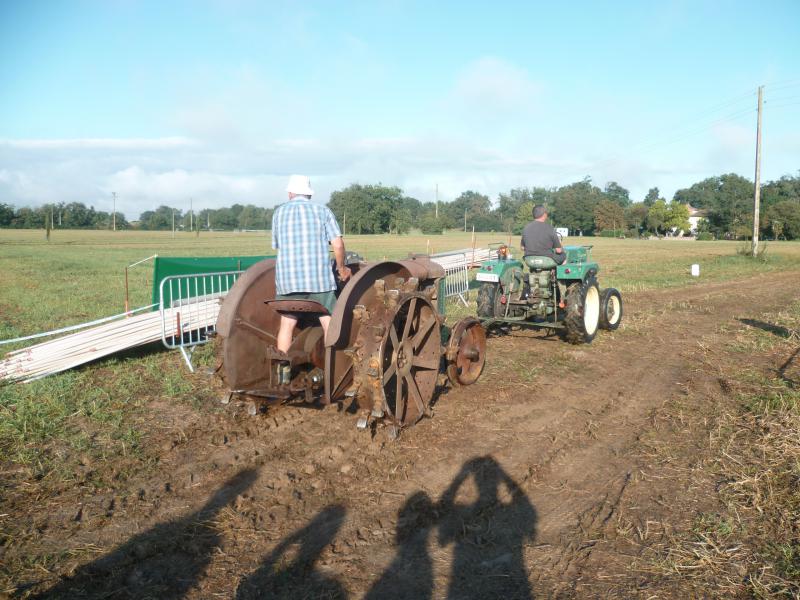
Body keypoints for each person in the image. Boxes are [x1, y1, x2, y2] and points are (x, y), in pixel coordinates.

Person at [271, 175, 351, 355]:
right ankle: (334, 364)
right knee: (327, 318)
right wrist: (342, 269)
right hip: (319, 281)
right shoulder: (322, 211)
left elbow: (277, 245)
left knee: (287, 323)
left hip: (287, 281)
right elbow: (337, 244)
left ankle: (282, 370)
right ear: (309, 194)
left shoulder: (279, 213)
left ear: (291, 192)